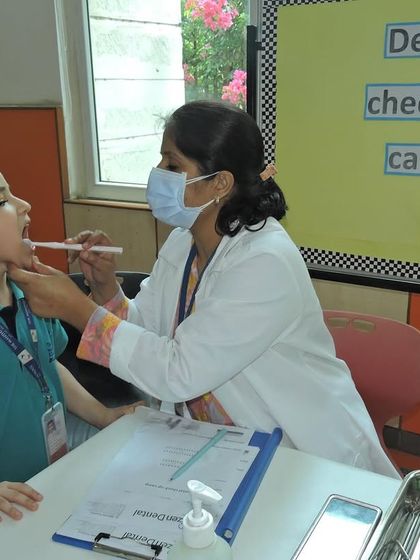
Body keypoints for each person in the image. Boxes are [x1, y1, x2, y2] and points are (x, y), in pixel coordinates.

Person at [8, 101, 399, 480]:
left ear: (220, 183)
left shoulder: (264, 262)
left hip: (300, 455)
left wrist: (77, 309)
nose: (158, 173)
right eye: (161, 160)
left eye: (173, 165)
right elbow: (148, 332)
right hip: (220, 446)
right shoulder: (185, 243)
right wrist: (105, 286)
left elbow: (177, 371)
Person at [0, 172, 142, 522]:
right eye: (3, 199)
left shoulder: (32, 297)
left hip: (50, 484)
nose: (25, 205)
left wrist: (104, 416)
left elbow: (48, 367)